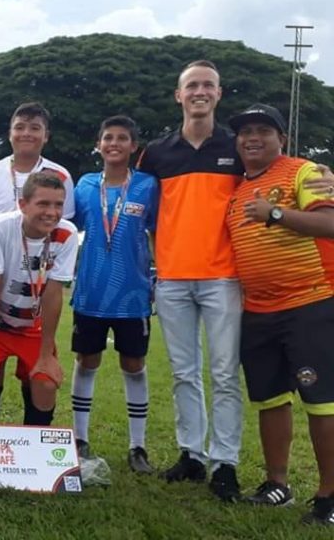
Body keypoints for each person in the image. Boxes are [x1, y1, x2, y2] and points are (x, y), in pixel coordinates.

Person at [136, 59, 244, 499]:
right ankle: (192, 455)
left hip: (223, 276)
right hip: (174, 277)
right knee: (184, 373)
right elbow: (139, 210)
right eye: (191, 86)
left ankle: (226, 463)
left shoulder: (237, 148)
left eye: (208, 85)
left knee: (223, 374)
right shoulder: (157, 153)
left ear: (219, 94)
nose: (200, 92)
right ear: (178, 96)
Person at [224, 104, 334, 525]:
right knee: (270, 399)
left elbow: (329, 224)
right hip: (258, 310)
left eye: (263, 131)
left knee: (321, 401)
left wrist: (275, 213)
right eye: (245, 132)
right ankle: (277, 484)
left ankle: (328, 496)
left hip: (310, 303)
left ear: (281, 139)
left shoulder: (303, 172)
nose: (252, 138)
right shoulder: (237, 190)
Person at [69, 116, 158, 473]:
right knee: (86, 360)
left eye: (123, 138)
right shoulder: (86, 185)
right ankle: (79, 438)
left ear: (134, 146)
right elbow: (67, 227)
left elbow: (158, 233)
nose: (114, 143)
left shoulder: (148, 186)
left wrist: (160, 276)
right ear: (98, 144)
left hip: (132, 295)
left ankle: (138, 447)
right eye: (108, 137)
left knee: (133, 364)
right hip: (90, 292)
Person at [0, 172, 78, 427]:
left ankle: (33, 455)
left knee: (46, 382)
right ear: (23, 205)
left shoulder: (67, 234)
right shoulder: (2, 226)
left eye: (58, 204)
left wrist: (47, 352)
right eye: (43, 204)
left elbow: (53, 292)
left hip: (31, 326)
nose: (52, 212)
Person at [0, 102, 74, 230]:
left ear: (46, 136)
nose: (26, 133)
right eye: (19, 127)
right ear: (10, 134)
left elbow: (64, 226)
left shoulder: (60, 176)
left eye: (35, 128)